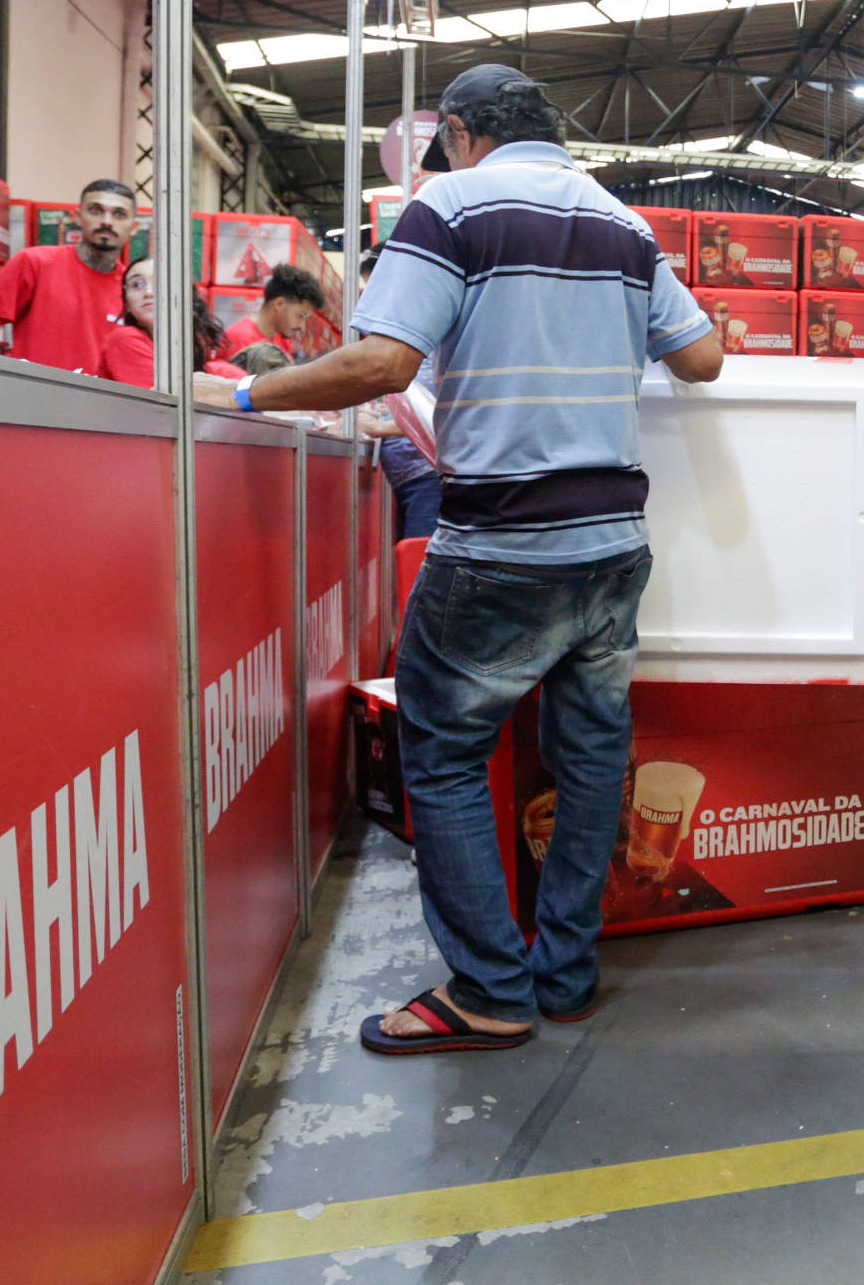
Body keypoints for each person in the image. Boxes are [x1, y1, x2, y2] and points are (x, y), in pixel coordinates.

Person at [196, 63, 722, 1052]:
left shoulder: (453, 206)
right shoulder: (622, 224)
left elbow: (384, 362)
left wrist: (245, 397)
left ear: (467, 132)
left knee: (442, 755)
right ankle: (563, 974)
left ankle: (489, 987)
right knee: (593, 758)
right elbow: (701, 357)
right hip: (612, 546)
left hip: (502, 544)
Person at [0, 178, 136, 375]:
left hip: (105, 403)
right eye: (95, 210)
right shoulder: (35, 262)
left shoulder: (135, 289)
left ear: (134, 226)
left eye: (119, 214)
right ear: (77, 217)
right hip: (33, 400)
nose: (106, 221)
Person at [353, 242, 443, 541]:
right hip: (415, 478)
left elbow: (437, 413)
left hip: (426, 476)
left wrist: (381, 427)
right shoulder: (410, 328)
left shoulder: (427, 329)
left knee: (419, 565)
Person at [96, 256, 242, 386]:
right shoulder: (123, 340)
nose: (148, 293)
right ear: (127, 304)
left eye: (160, 283)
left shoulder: (205, 355)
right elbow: (168, 402)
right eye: (137, 285)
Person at [220, 262, 327, 360]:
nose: (302, 326)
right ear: (279, 304)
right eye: (300, 315)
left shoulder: (281, 339)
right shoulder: (241, 341)